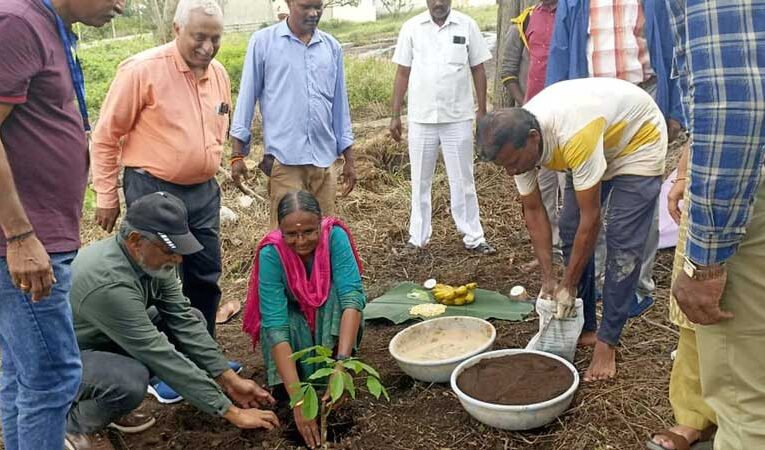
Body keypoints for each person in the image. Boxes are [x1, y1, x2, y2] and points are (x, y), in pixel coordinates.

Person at [477, 77, 667, 382]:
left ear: (534, 138)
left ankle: (607, 342)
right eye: (504, 167)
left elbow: (591, 220)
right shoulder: (514, 148)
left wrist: (569, 282)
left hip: (637, 141)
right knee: (569, 227)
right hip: (599, 140)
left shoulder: (572, 134)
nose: (511, 171)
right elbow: (535, 211)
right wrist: (549, 279)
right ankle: (587, 327)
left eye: (513, 163)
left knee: (622, 242)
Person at [67, 192, 280, 450]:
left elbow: (183, 321)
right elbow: (159, 353)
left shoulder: (151, 261)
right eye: (170, 250)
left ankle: (109, 406)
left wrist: (228, 379)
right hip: (60, 358)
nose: (178, 259)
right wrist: (229, 411)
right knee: (130, 382)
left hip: (104, 336)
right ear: (136, 241)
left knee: (195, 318)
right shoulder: (109, 284)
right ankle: (73, 425)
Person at [0, 0, 122, 448]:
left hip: (41, 236)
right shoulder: (16, 23)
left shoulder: (48, 27)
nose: (122, 6)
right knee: (52, 378)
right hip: (25, 242)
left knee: (24, 374)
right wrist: (19, 234)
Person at [91, 0, 230, 339]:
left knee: (205, 273)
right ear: (176, 29)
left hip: (204, 191)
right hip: (152, 189)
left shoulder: (219, 73)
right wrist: (106, 195)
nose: (208, 47)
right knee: (155, 277)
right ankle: (162, 362)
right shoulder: (142, 70)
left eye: (215, 38)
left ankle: (204, 351)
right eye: (199, 37)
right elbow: (106, 136)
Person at [545, 0, 686, 320]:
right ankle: (590, 283)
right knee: (587, 197)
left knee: (641, 199)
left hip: (643, 99)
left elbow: (676, 47)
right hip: (588, 105)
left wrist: (675, 112)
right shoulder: (574, 3)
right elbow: (560, 54)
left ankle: (636, 286)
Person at [667, 1, 765, 448]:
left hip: (745, 185)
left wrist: (704, 261)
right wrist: (687, 168)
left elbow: (732, 103)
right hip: (735, 161)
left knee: (746, 404)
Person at [243, 191, 365, 449]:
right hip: (294, 324)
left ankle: (333, 366)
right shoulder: (271, 253)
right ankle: (300, 382)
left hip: (328, 315)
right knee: (287, 321)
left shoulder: (335, 237)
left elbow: (352, 298)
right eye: (291, 234)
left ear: (321, 223)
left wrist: (341, 367)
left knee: (337, 299)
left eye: (309, 231)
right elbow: (275, 326)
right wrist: (298, 399)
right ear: (280, 231)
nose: (301, 241)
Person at [230, 0, 356, 228]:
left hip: (323, 163)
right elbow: (246, 98)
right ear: (289, 3)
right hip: (285, 161)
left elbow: (340, 107)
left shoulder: (332, 47)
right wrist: (237, 155)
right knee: (286, 237)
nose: (313, 13)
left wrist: (349, 159)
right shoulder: (263, 43)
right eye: (305, 6)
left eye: (318, 7)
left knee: (322, 233)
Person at [389, 0, 496, 255]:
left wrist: (482, 110)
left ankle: (473, 236)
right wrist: (395, 114)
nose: (438, 3)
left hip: (457, 117)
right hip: (421, 118)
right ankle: (418, 238)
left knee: (463, 180)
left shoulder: (467, 25)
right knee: (420, 181)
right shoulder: (411, 28)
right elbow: (402, 72)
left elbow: (478, 69)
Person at [647, 147, 716, 450]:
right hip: (710, 187)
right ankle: (695, 415)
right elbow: (707, 120)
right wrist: (684, 173)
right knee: (694, 309)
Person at [499, 0, 563, 267]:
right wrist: (524, 106)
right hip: (533, 125)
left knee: (570, 188)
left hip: (566, 119)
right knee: (543, 188)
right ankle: (551, 249)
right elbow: (507, 72)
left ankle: (577, 251)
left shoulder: (572, 15)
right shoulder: (522, 23)